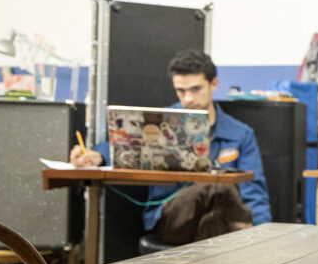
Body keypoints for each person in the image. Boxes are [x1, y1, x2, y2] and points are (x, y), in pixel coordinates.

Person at [70, 50, 271, 245]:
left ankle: (241, 242)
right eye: (181, 91)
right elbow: (125, 144)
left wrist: (263, 236)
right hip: (170, 218)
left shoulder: (240, 134)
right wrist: (97, 155)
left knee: (212, 222)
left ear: (214, 84)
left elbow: (254, 192)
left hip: (220, 221)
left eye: (195, 89)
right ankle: (243, 229)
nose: (188, 98)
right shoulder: (160, 122)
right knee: (219, 185)